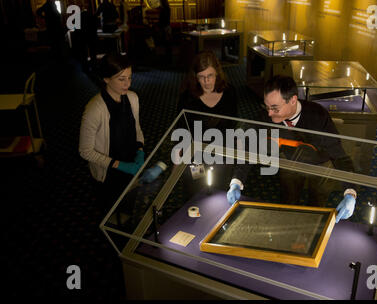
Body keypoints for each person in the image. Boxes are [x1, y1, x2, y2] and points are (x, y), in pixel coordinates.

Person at [226, 75, 357, 223]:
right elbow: (249, 148)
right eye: (267, 107)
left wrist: (350, 193)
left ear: (293, 100)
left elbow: (339, 156)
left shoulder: (318, 116)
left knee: (316, 206)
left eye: (275, 108)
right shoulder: (266, 116)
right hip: (289, 161)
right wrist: (236, 182)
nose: (269, 113)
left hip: (321, 164)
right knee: (288, 201)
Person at [79, 53, 162, 210]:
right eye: (121, 79)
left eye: (129, 78)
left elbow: (136, 128)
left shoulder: (132, 98)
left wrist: (140, 150)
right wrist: (118, 165)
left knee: (128, 209)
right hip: (108, 174)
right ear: (106, 79)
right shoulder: (94, 109)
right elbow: (85, 151)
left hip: (131, 166)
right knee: (110, 215)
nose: (127, 84)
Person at [177, 50, 238, 196]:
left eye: (210, 75)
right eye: (202, 77)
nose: (207, 81)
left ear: (217, 73)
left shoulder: (229, 93)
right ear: (195, 77)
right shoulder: (188, 97)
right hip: (196, 156)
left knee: (219, 193)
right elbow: (181, 129)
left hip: (222, 155)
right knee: (196, 193)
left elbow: (233, 125)